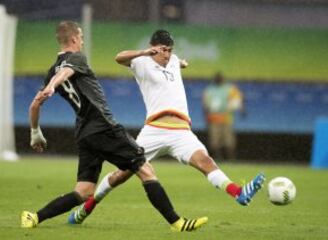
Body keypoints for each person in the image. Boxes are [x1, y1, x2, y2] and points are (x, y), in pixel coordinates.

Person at [20, 21, 208, 232]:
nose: (82, 41)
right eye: (81, 37)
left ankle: (34, 217)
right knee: (145, 169)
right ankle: (177, 222)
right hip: (104, 127)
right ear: (73, 39)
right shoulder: (75, 59)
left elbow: (36, 102)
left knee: (84, 192)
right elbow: (65, 72)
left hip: (84, 133)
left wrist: (35, 132)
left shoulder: (50, 70)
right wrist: (54, 85)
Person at [68, 30, 265, 225]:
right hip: (154, 130)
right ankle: (87, 207)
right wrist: (144, 53)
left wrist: (181, 63)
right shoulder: (141, 62)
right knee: (122, 174)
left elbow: (175, 62)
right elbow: (118, 57)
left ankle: (238, 192)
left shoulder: (173, 60)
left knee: (205, 161)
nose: (167, 55)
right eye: (164, 50)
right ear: (154, 48)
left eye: (170, 50)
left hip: (181, 132)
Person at [202, 72, 244, 160]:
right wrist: (206, 117)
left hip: (226, 117)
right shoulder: (210, 90)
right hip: (214, 118)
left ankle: (231, 159)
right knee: (214, 142)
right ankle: (218, 158)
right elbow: (205, 105)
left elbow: (237, 100)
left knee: (229, 141)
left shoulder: (230, 88)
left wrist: (241, 109)